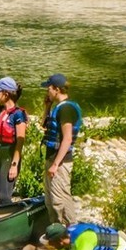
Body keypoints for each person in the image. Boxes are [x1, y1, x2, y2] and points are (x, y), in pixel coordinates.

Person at [41, 72, 82, 226]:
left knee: (60, 199)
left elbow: (67, 139)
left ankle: (70, 230)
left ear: (56, 89)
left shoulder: (66, 110)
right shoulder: (57, 108)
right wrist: (47, 106)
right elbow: (44, 124)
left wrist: (56, 164)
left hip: (61, 161)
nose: (47, 92)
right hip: (51, 157)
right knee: (50, 199)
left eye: (49, 88)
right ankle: (55, 232)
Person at [0, 76, 28, 205]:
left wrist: (14, 165)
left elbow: (20, 142)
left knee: (4, 196)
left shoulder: (18, 114)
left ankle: (10, 219)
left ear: (6, 94)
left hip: (8, 156)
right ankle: (1, 217)